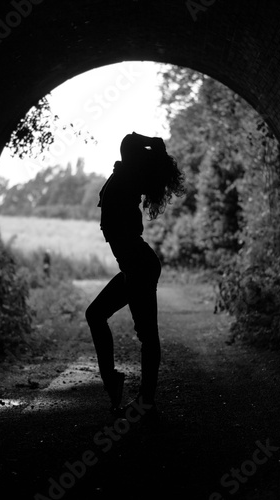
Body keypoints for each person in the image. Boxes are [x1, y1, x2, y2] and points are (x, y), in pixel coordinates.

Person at [85, 132, 185, 419]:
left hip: (138, 267)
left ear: (138, 161)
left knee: (146, 335)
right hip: (135, 266)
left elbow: (129, 139)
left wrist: (156, 143)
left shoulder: (128, 176)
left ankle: (145, 401)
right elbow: (130, 144)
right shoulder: (128, 177)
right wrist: (156, 147)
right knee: (96, 315)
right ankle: (115, 382)